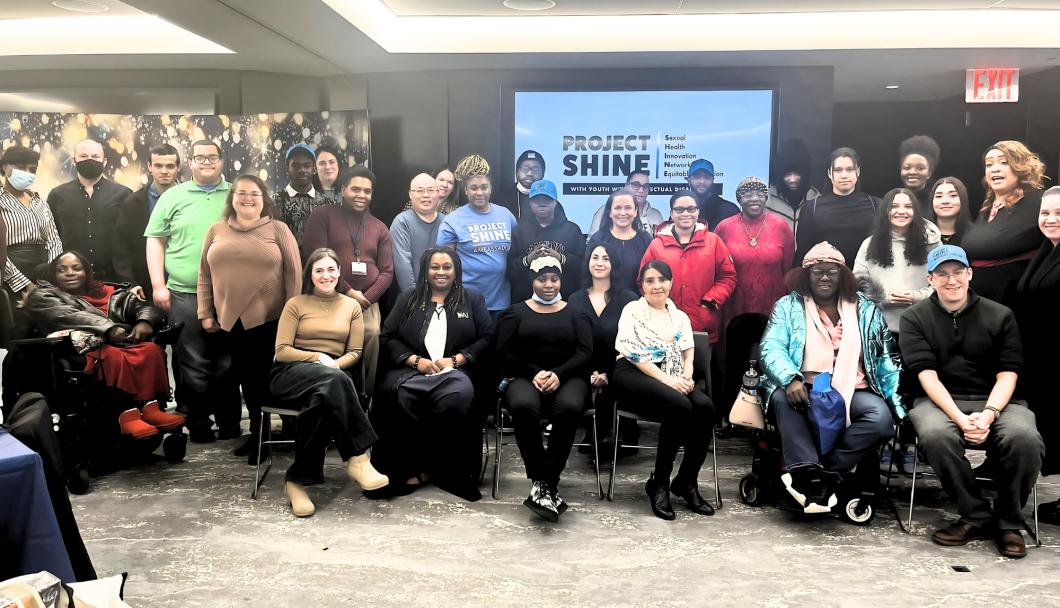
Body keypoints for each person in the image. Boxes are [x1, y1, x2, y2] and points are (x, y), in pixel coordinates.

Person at [901, 245, 1044, 559]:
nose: (951, 280)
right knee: (937, 435)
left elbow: (1008, 374)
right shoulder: (915, 317)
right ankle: (975, 514)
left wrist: (989, 414)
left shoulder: (1000, 314)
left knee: (1024, 437)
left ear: (970, 273)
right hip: (938, 399)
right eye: (942, 273)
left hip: (999, 400)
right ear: (930, 278)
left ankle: (1009, 521)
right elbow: (926, 375)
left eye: (957, 272)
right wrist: (960, 418)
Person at [760, 242, 902, 513]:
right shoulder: (788, 306)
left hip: (853, 387)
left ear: (843, 276)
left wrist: (897, 405)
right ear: (806, 276)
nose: (824, 277)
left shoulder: (866, 310)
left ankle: (822, 475)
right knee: (781, 397)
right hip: (805, 384)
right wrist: (790, 379)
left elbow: (886, 358)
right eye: (817, 272)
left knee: (881, 420)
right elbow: (772, 346)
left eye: (832, 272)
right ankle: (806, 469)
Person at [269, 248, 390, 518]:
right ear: (310, 275)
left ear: (339, 273)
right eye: (319, 270)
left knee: (322, 401)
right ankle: (358, 458)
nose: (326, 275)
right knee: (334, 382)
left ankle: (296, 482)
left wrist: (334, 364)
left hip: (333, 373)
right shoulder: (296, 304)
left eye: (331, 269)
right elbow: (282, 350)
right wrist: (318, 357)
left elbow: (356, 353)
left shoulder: (352, 307)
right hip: (291, 372)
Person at [372, 247, 494, 500]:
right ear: (425, 271)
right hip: (413, 373)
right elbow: (388, 335)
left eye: (447, 267)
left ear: (456, 270)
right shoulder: (408, 298)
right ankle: (412, 469)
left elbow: (487, 336)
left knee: (459, 396)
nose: (441, 272)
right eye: (435, 267)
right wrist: (416, 362)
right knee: (400, 396)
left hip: (454, 374)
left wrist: (457, 360)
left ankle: (448, 471)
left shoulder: (472, 298)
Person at [197, 174, 302, 462]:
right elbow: (204, 275)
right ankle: (258, 432)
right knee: (244, 380)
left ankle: (263, 436)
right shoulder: (216, 230)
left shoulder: (278, 230)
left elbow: (294, 274)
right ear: (232, 198)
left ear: (263, 198)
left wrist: (291, 317)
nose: (247, 198)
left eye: (254, 193)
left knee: (263, 379)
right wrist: (205, 312)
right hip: (229, 320)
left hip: (271, 320)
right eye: (241, 193)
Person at [25, 251, 184, 437]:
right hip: (83, 348)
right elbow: (71, 316)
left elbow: (143, 306)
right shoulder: (45, 295)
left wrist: (144, 322)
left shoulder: (110, 292)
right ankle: (126, 415)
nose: (70, 273)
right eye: (62, 270)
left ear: (87, 272)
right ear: (54, 275)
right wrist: (109, 328)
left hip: (121, 342)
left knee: (151, 349)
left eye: (76, 268)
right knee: (112, 356)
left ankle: (151, 409)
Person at [144, 139, 238, 443]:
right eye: (199, 158)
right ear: (191, 163)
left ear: (222, 161)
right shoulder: (173, 196)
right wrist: (158, 284)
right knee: (193, 362)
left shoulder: (237, 194)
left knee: (228, 362)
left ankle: (230, 424)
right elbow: (155, 240)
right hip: (184, 292)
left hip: (231, 294)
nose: (206, 162)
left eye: (212, 157)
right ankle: (198, 423)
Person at [611, 260, 716, 520]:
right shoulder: (633, 310)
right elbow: (634, 354)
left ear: (670, 282)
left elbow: (688, 349)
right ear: (642, 285)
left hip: (673, 373)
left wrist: (687, 375)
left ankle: (686, 481)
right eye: (649, 280)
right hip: (634, 372)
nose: (656, 285)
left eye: (661, 279)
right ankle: (659, 483)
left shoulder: (678, 316)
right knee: (679, 405)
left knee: (705, 407)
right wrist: (670, 382)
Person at [495, 254, 592, 521]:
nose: (548, 285)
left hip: (569, 378)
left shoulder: (576, 313)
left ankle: (545, 482)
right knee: (524, 406)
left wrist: (559, 374)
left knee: (570, 407)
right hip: (525, 378)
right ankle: (543, 481)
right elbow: (504, 353)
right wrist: (534, 372)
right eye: (541, 279)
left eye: (554, 279)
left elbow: (585, 352)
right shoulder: (514, 313)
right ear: (532, 281)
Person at [303, 166, 393, 402]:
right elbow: (316, 258)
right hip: (330, 296)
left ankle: (365, 399)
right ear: (343, 189)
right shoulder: (323, 216)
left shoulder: (379, 226)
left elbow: (387, 272)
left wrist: (366, 298)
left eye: (367, 191)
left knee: (372, 332)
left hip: (366, 302)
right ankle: (334, 395)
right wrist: (348, 291)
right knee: (333, 338)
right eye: (355, 189)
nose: (361, 195)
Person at [714, 177, 795, 415]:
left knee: (765, 362)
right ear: (739, 199)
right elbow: (717, 266)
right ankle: (729, 416)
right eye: (747, 195)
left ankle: (763, 419)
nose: (754, 199)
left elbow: (788, 268)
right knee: (732, 363)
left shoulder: (781, 227)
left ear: (766, 198)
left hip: (770, 307)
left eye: (759, 194)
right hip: (734, 307)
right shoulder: (724, 227)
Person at [1015, 187, 1060, 522]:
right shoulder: (1047, 249)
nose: (1050, 219)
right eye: (1045, 213)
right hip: (1042, 358)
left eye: (1058, 213)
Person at [639, 189, 736, 345]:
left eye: (691, 209)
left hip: (702, 326)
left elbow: (728, 277)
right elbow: (643, 281)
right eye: (679, 209)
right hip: (665, 327)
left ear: (698, 212)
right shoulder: (656, 245)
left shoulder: (713, 241)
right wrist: (658, 307)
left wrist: (709, 302)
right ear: (671, 212)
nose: (686, 213)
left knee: (701, 368)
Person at [568, 243, 638, 452]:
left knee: (615, 383)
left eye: (606, 258)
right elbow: (572, 344)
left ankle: (619, 431)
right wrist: (590, 373)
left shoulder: (629, 300)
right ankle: (597, 433)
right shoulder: (574, 299)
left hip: (621, 366)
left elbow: (633, 345)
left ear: (614, 264)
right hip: (584, 367)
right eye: (595, 257)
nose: (599, 263)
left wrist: (607, 373)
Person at [961, 140, 1046, 306]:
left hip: (1014, 304)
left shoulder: (1039, 202)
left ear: (1020, 165)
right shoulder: (986, 208)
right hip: (978, 304)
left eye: (1003, 162)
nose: (995, 168)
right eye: (989, 164)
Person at [436, 154, 517, 315]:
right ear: (466, 190)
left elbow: (516, 254)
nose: (479, 192)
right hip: (466, 303)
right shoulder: (452, 221)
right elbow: (444, 265)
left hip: (501, 302)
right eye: (474, 188)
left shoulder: (506, 215)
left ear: (490, 188)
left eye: (484, 187)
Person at [853, 187, 940, 333]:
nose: (901, 211)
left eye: (908, 206)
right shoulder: (869, 244)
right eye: (894, 206)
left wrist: (916, 296)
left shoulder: (932, 242)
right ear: (885, 211)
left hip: (922, 326)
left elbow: (943, 283)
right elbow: (858, 284)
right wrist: (883, 298)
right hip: (880, 327)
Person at [46, 139, 132, 281]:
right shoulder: (57, 195)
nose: (90, 160)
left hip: (114, 279)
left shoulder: (124, 194)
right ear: (74, 160)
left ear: (104, 161)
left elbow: (129, 237)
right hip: (69, 280)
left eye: (95, 156)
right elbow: (52, 237)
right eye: (84, 156)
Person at [794, 147, 880, 268]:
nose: (844, 175)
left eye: (849, 169)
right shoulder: (811, 208)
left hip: (866, 281)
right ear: (829, 173)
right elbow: (803, 253)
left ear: (858, 172)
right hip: (825, 281)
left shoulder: (876, 205)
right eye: (838, 170)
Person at [114, 144, 180, 302]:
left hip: (184, 284)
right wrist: (130, 283)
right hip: (144, 286)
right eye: (158, 165)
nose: (164, 171)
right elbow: (122, 248)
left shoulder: (192, 199)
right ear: (150, 166)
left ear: (178, 167)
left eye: (170, 166)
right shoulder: (132, 203)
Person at [508, 179, 585, 302]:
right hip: (526, 303)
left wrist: (560, 258)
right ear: (530, 203)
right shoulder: (520, 230)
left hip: (564, 303)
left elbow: (583, 268)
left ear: (555, 202)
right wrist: (528, 259)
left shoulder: (572, 230)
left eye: (547, 200)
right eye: (537, 200)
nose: (542, 204)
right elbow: (509, 271)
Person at [0, 146, 62, 299]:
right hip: (11, 274)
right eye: (20, 167)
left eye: (32, 169)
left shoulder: (40, 202)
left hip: (45, 275)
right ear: (4, 166)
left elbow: (54, 241)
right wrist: (24, 284)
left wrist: (54, 275)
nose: (27, 173)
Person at [586, 187, 652, 294]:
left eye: (628, 208)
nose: (622, 213)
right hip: (604, 304)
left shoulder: (646, 240)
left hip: (638, 305)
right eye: (617, 208)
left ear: (635, 212)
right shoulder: (597, 240)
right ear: (610, 212)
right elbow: (587, 277)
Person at [273, 143, 334, 256]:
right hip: (284, 269)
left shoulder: (328, 204)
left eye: (307, 166)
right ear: (287, 169)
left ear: (314, 169)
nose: (302, 170)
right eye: (295, 166)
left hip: (319, 269)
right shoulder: (274, 202)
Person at [391, 173, 445, 293]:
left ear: (438, 193)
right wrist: (415, 299)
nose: (425, 195)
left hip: (443, 295)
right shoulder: (402, 222)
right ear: (410, 194)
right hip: (412, 297)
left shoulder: (446, 222)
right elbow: (403, 265)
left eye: (431, 190)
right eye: (420, 191)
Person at [589, 170, 665, 237]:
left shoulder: (656, 215)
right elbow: (593, 243)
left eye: (645, 186)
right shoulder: (607, 211)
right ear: (626, 186)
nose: (641, 190)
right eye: (636, 185)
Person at [766, 139, 819, 231]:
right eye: (787, 174)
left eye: (797, 173)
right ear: (780, 174)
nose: (793, 179)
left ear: (805, 172)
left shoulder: (816, 199)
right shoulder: (767, 199)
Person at [686, 159, 740, 231]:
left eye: (706, 177)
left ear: (713, 180)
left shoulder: (730, 210)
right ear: (689, 179)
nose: (702, 181)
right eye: (697, 177)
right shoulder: (681, 209)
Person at [897, 135, 941, 217]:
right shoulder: (891, 201)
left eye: (920, 168)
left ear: (929, 173)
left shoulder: (938, 203)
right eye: (907, 167)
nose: (913, 172)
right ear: (901, 171)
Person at [930, 177, 973, 246]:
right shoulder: (923, 235)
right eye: (939, 196)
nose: (945, 201)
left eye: (953, 195)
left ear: (963, 199)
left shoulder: (974, 236)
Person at [512, 149, 545, 219]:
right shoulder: (502, 196)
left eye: (535, 170)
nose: (529, 173)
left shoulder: (548, 199)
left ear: (542, 174)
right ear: (517, 172)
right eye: (525, 169)